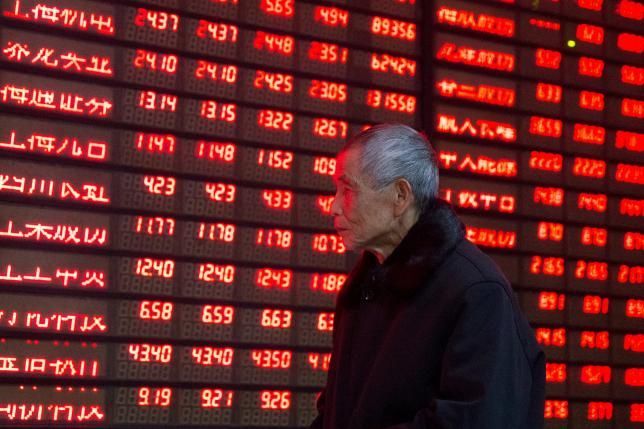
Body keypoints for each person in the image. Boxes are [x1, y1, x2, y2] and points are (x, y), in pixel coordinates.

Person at [310, 124, 545, 429]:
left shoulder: (476, 291)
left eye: (348, 190)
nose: (333, 206)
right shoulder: (362, 290)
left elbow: (474, 420)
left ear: (400, 195)